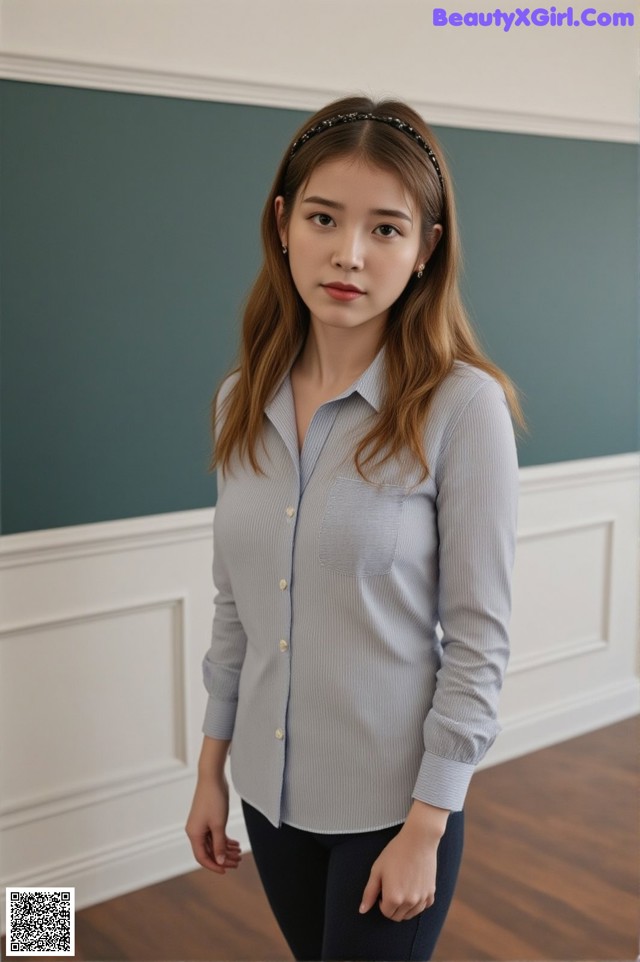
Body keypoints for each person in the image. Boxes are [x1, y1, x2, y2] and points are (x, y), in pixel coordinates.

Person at [185, 94, 526, 962]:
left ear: (425, 250)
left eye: (385, 228)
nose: (348, 254)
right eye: (324, 218)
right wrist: (210, 773)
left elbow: (480, 642)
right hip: (268, 798)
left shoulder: (463, 408)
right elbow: (237, 609)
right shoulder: (239, 399)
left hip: (393, 809)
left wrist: (427, 826)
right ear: (283, 224)